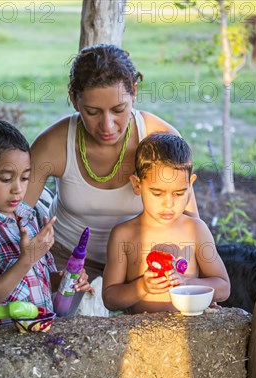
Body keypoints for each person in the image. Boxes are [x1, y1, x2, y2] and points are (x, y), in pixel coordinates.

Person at [24, 44, 199, 284]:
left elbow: (190, 223)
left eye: (119, 109)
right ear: (74, 100)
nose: (107, 126)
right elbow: (15, 217)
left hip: (142, 261)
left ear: (134, 93)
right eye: (93, 112)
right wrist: (47, 276)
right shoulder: (54, 144)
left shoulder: (159, 136)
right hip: (65, 258)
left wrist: (191, 279)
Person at [0, 120, 92, 334]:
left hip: (33, 338)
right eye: (6, 179)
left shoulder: (27, 218)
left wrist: (63, 280)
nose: (18, 189)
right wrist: (27, 259)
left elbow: (33, 282)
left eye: (25, 178)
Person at [102, 134, 230, 313]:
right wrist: (141, 287)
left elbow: (223, 287)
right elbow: (110, 298)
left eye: (178, 193)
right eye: (157, 193)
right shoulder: (124, 235)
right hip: (141, 333)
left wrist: (189, 284)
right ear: (137, 185)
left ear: (190, 185)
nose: (168, 204)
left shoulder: (195, 230)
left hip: (189, 329)